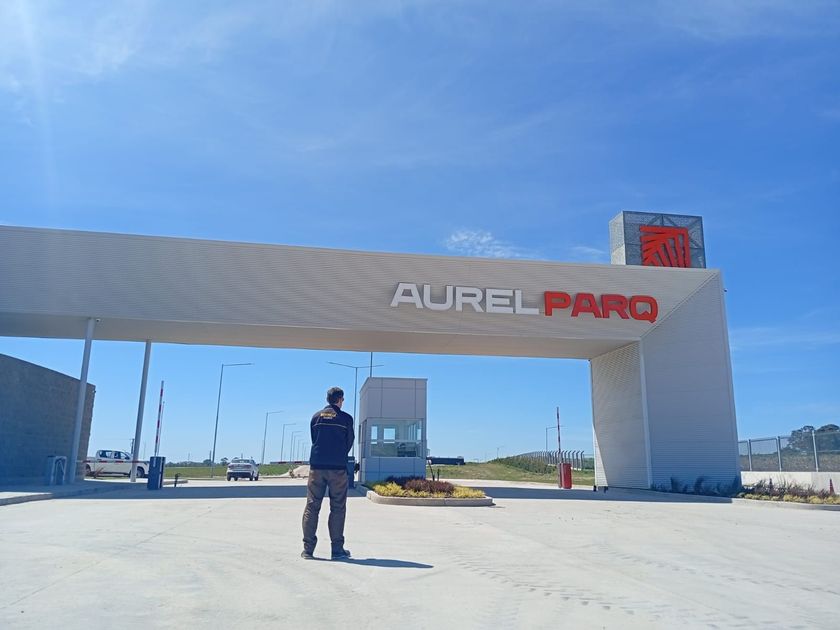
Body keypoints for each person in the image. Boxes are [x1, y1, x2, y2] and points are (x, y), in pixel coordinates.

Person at [301, 386, 354, 560]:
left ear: (327, 399)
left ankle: (308, 550)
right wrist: (339, 454)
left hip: (317, 467)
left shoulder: (316, 417)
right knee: (338, 507)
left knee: (312, 506)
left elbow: (314, 438)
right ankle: (337, 550)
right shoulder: (346, 419)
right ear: (340, 399)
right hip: (337, 468)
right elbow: (349, 441)